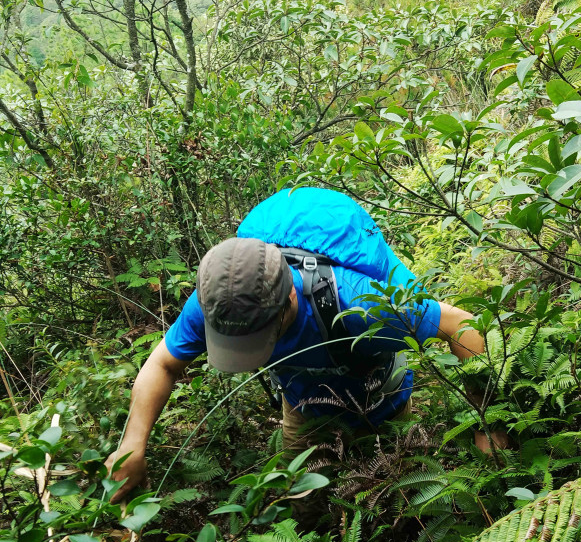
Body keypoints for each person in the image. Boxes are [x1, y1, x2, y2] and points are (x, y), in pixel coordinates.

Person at [106, 187, 491, 501]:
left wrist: (487, 422)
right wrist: (133, 444)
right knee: (301, 502)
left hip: (381, 395)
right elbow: (163, 364)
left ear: (290, 298)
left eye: (260, 338)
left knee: (403, 493)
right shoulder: (220, 302)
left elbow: (461, 324)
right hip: (302, 403)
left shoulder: (361, 305)